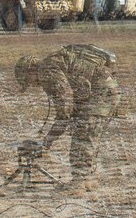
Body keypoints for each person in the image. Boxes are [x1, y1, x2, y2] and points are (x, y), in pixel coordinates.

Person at [14, 44, 120, 180]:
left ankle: (79, 183)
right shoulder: (54, 63)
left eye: (30, 81)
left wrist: (48, 141)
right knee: (89, 136)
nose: (35, 85)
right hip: (108, 92)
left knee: (82, 139)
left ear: (30, 70)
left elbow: (64, 106)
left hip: (100, 95)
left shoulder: (47, 69)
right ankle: (87, 181)